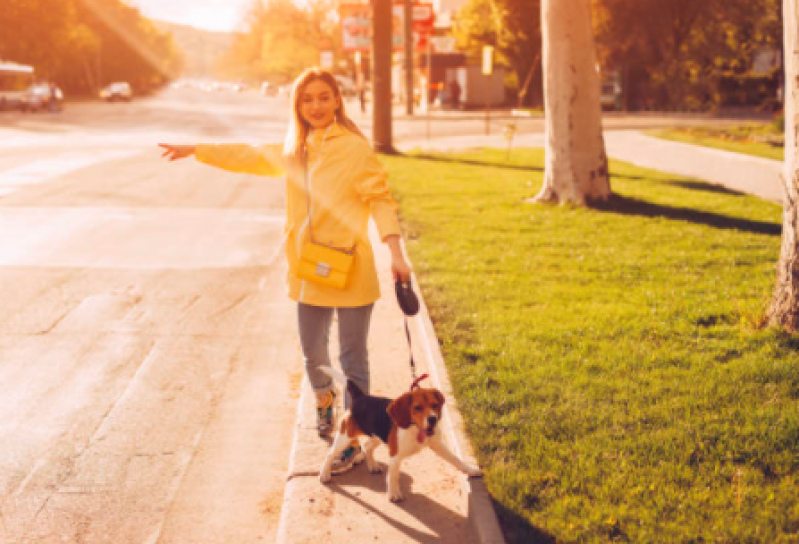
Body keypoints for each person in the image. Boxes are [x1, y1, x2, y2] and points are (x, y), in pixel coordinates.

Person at [159, 67, 412, 475]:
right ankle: (325, 401)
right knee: (313, 354)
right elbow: (247, 155)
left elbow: (381, 200)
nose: (315, 105)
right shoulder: (295, 149)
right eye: (307, 98)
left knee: (353, 360)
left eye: (323, 97)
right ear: (298, 105)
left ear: (337, 100)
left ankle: (352, 440)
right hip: (309, 268)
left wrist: (395, 252)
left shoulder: (354, 147)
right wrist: (197, 149)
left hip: (352, 268)